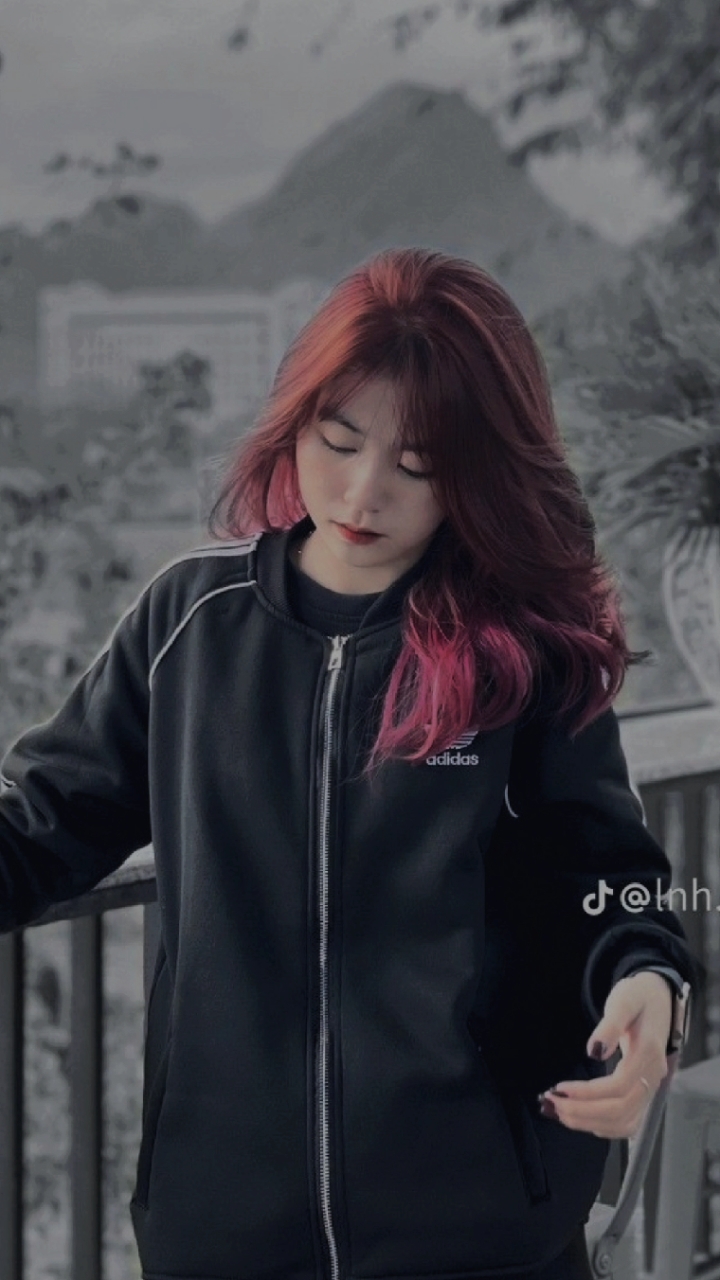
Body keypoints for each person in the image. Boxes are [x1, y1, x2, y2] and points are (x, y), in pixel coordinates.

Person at [0, 246, 705, 1280]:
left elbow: (612, 875)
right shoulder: (189, 623)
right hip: (224, 1232)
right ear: (296, 420)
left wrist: (651, 977)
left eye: (419, 466)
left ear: (480, 473)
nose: (364, 491)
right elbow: (43, 822)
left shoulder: (522, 648)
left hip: (479, 1235)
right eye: (338, 440)